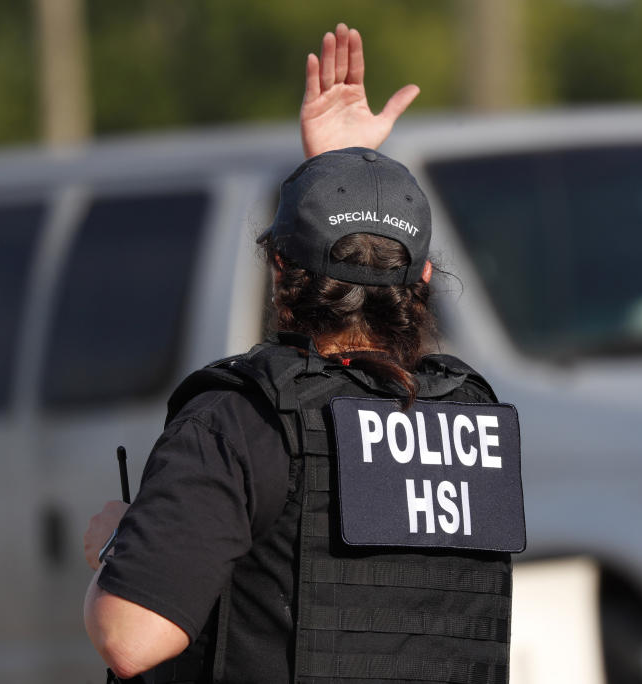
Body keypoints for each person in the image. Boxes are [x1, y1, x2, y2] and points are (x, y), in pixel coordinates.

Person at [83, 23, 525, 684]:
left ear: (279, 272)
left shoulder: (245, 419)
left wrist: (118, 543)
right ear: (425, 282)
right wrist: (348, 176)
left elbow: (131, 637)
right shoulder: (470, 423)